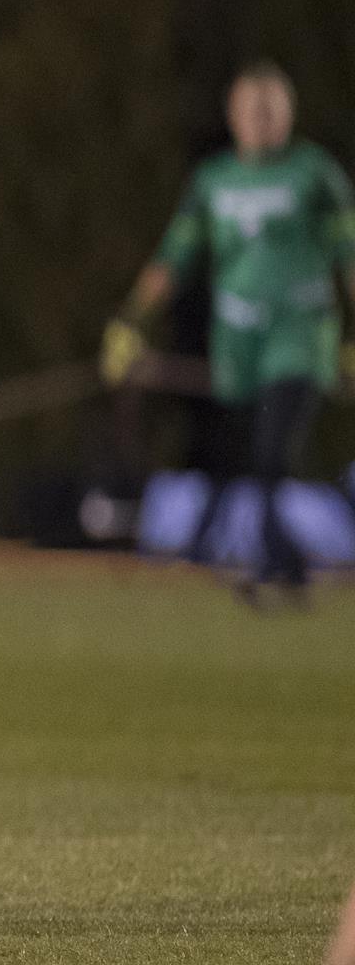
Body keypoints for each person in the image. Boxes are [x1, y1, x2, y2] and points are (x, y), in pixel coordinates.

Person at [104, 62, 355, 602]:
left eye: (272, 110)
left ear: (288, 116)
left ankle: (270, 562)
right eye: (252, 110)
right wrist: (130, 321)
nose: (262, 121)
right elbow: (175, 256)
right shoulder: (213, 180)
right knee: (238, 455)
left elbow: (349, 252)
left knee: (271, 452)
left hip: (301, 335)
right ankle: (279, 566)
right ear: (234, 116)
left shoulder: (315, 174)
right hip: (238, 342)